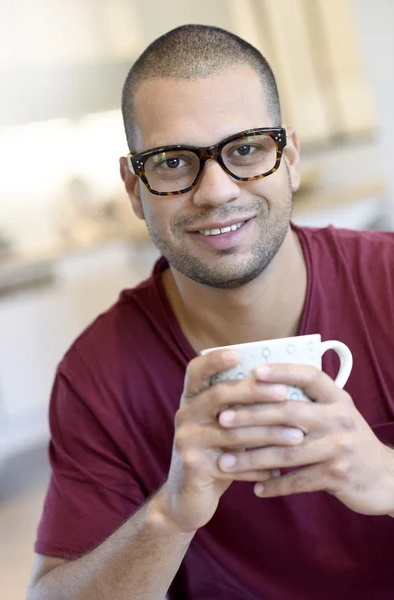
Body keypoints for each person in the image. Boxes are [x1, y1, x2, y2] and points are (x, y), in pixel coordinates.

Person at [27, 24, 394, 600]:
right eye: (173, 161)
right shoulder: (96, 373)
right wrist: (169, 517)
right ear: (133, 186)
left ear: (290, 158)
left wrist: (387, 476)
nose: (217, 191)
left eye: (246, 149)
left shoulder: (388, 283)